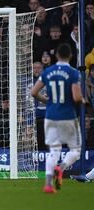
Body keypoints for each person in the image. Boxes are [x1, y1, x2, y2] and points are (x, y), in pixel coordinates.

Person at [30, 43, 84, 194]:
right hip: (68, 116)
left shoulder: (48, 71)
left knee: (54, 149)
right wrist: (83, 101)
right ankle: (60, 168)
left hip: (51, 115)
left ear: (56, 56)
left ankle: (48, 185)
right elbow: (77, 97)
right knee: (75, 151)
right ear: (71, 56)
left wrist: (47, 101)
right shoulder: (73, 73)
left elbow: (33, 92)